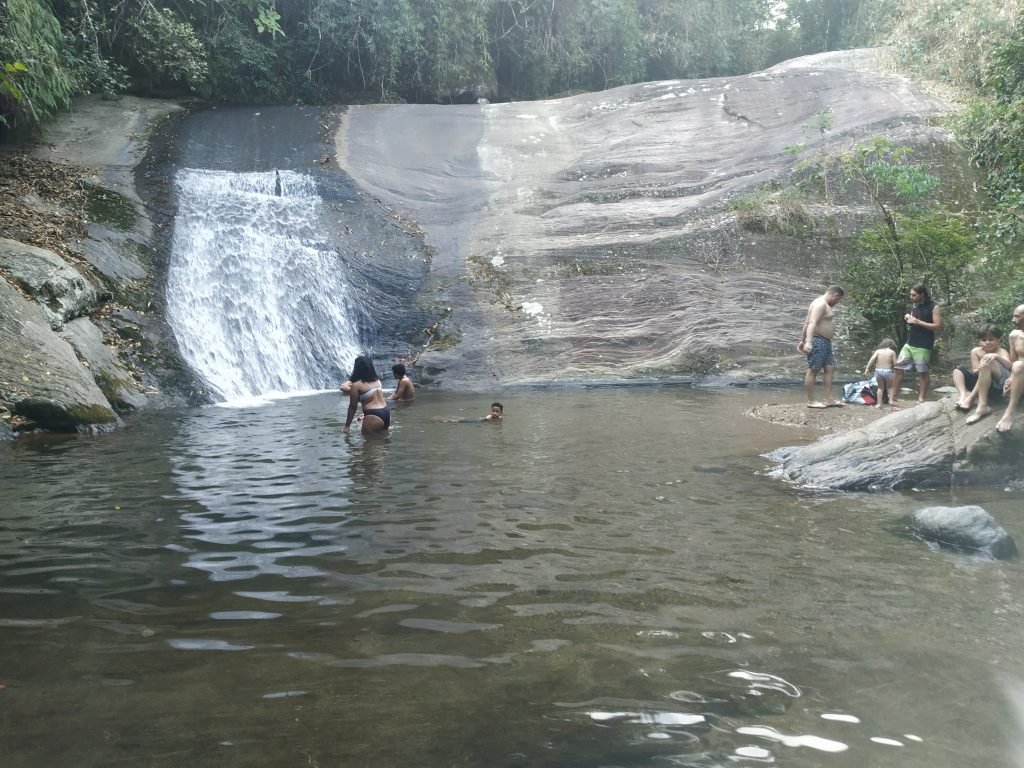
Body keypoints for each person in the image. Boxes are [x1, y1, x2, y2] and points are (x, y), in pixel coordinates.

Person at [971, 304, 1024, 431]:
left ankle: (1009, 413)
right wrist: (1011, 378)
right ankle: (982, 405)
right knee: (987, 360)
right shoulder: (1014, 335)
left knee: (1019, 365)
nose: (1013, 320)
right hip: (1018, 374)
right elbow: (1013, 362)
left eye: (1017, 316)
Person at [892, 283, 941, 404]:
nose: (911, 297)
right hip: (910, 343)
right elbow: (914, 321)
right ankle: (892, 396)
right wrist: (909, 318)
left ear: (922, 294)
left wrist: (918, 321)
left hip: (923, 345)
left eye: (913, 295)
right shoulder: (915, 305)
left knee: (922, 372)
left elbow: (937, 326)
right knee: (898, 368)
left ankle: (921, 399)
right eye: (911, 294)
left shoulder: (934, 307)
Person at [798, 285, 844, 408]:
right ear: (835, 295)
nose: (836, 303)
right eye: (837, 300)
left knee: (830, 368)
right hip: (817, 340)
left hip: (825, 342)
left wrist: (801, 340)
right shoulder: (821, 304)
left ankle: (829, 399)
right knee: (813, 370)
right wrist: (808, 342)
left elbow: (806, 322)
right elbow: (812, 322)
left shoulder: (821, 304)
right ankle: (811, 401)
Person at [952, 324, 1011, 412]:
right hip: (982, 381)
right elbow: (975, 370)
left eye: (991, 339)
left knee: (989, 362)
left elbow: (1009, 366)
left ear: (998, 340)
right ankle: (963, 395)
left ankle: (971, 398)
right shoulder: (976, 351)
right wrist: (981, 369)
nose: (987, 342)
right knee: (958, 370)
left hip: (997, 385)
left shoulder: (1001, 351)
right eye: (984, 340)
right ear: (979, 341)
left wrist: (997, 357)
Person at [343, 355, 390, 435]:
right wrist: (364, 415)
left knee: (369, 446)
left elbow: (353, 407)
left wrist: (347, 426)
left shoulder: (357, 385)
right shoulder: (378, 381)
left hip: (373, 414)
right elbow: (373, 400)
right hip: (386, 413)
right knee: (383, 441)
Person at [863, 338, 898, 409]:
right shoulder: (892, 352)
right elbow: (895, 364)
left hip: (878, 371)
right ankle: (891, 401)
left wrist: (867, 368)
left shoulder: (878, 351)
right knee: (890, 387)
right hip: (888, 371)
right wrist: (902, 361)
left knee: (880, 388)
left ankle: (879, 404)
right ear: (892, 345)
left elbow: (872, 359)